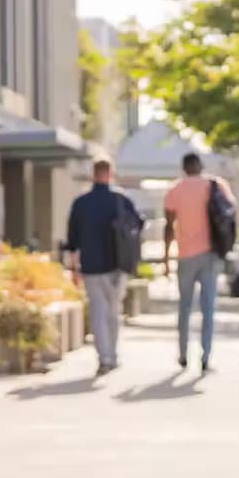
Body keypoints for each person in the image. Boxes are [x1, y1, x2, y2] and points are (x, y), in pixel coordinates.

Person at [63, 159, 143, 375]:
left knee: (98, 312)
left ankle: (104, 358)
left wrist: (73, 268)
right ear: (111, 174)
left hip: (90, 266)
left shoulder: (81, 203)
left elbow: (72, 240)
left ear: (93, 174)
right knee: (113, 312)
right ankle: (113, 355)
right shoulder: (121, 200)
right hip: (117, 265)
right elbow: (138, 226)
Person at [163, 152, 233, 373]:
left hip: (185, 255)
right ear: (200, 166)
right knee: (208, 307)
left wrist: (166, 256)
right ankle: (205, 356)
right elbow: (229, 215)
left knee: (184, 307)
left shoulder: (175, 189)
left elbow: (168, 225)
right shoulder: (216, 185)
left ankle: (183, 355)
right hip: (211, 254)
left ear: (184, 168)